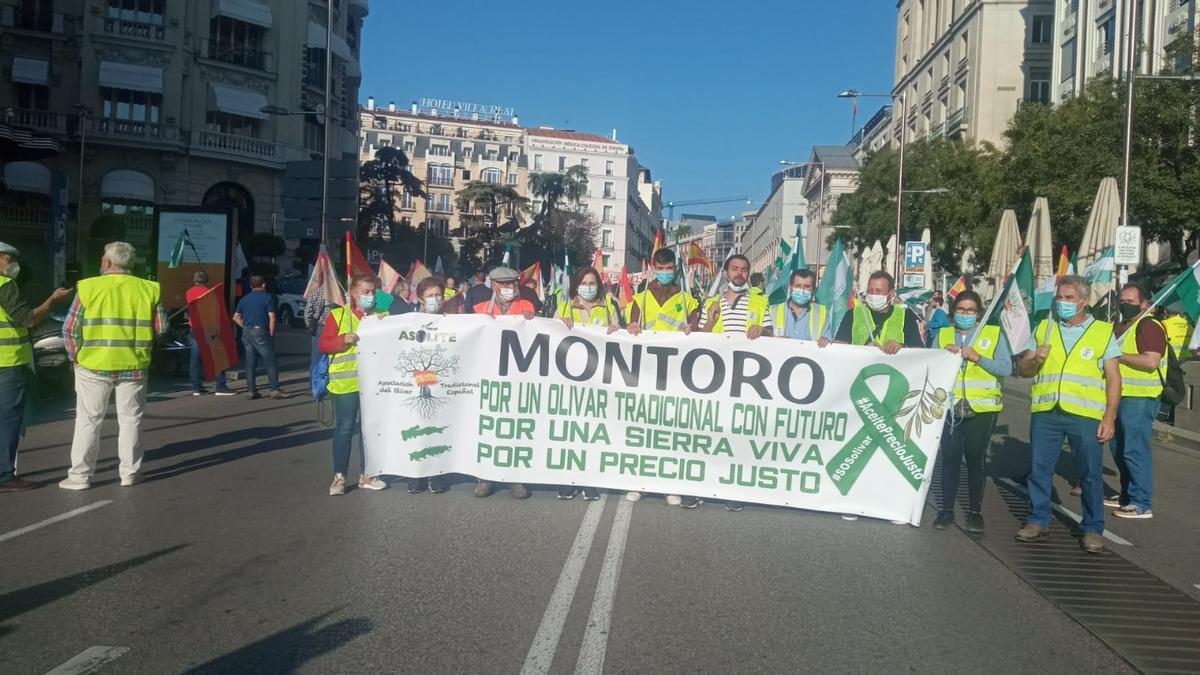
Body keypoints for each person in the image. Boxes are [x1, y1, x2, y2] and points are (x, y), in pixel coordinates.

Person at [1016, 275, 1121, 554]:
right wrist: (1034, 359)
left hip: (1084, 415)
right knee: (1039, 470)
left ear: (1084, 302)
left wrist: (1109, 418)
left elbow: (1113, 378)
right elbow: (1023, 371)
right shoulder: (1044, 328)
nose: (1062, 303)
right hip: (1046, 412)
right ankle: (1037, 520)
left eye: (1069, 298)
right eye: (1059, 297)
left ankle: (1093, 528)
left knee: (1090, 474)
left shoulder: (1101, 331)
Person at [59, 242, 166, 490]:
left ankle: (80, 477)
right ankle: (130, 473)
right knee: (131, 420)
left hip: (92, 366)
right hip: (134, 365)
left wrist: (75, 358)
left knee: (88, 420)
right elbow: (161, 328)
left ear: (107, 262)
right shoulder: (148, 289)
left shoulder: (88, 287)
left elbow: (69, 329)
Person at [625, 248, 701, 507]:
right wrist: (631, 327)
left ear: (675, 269)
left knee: (671, 431)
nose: (666, 273)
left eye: (670, 269)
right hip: (645, 372)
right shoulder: (640, 297)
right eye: (661, 269)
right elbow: (630, 326)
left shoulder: (688, 299)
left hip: (676, 374)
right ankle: (639, 482)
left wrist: (693, 327)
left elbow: (698, 327)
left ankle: (671, 484)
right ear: (652, 269)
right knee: (643, 428)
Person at [931, 291, 1011, 534]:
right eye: (961, 310)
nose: (965, 314)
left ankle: (975, 511)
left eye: (970, 310)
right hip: (950, 408)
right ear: (954, 311)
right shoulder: (943, 334)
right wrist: (943, 354)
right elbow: (929, 364)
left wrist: (978, 358)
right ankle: (946, 510)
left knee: (975, 459)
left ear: (978, 313)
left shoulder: (993, 334)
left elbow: (1006, 367)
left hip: (982, 408)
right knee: (950, 458)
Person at [700, 254, 771, 512]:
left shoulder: (760, 301)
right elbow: (699, 338)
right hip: (715, 378)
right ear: (726, 273)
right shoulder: (712, 301)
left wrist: (761, 331)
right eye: (735, 269)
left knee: (737, 434)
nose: (739, 273)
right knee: (711, 432)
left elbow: (772, 334)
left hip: (747, 378)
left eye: (744, 269)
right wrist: (710, 319)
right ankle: (702, 485)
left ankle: (733, 489)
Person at [0, 243, 71, 492]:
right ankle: (5, 476)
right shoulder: (5, 285)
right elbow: (28, 319)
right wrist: (52, 300)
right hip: (7, 362)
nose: (12, 265)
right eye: (9, 259)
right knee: (8, 419)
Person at [319, 273, 390, 496]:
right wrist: (342, 340)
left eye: (373, 292)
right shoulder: (339, 316)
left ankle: (367, 475)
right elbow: (323, 345)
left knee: (369, 430)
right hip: (346, 384)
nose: (370, 296)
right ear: (354, 294)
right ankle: (339, 477)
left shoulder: (382, 316)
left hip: (373, 386)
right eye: (365, 292)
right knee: (345, 429)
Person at [554, 266, 620, 502]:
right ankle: (568, 480)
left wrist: (616, 330)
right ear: (576, 286)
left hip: (599, 380)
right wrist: (560, 324)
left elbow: (619, 338)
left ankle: (590, 480)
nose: (589, 287)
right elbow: (551, 337)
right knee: (572, 432)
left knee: (593, 432)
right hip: (571, 380)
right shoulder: (564, 307)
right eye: (585, 283)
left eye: (593, 283)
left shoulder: (609, 307)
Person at [473, 267, 536, 499]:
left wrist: (532, 321)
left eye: (513, 283)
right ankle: (484, 478)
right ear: (494, 286)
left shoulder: (527, 308)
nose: (510, 288)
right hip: (488, 376)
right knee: (488, 428)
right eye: (505, 284)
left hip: (517, 377)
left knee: (515, 428)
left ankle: (515, 479)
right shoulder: (480, 310)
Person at [1108, 283, 1166, 519]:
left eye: (1130, 301)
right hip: (1121, 394)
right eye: (1123, 300)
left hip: (1140, 397)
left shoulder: (1148, 326)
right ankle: (1126, 494)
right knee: (1118, 446)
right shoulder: (1123, 325)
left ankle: (1141, 502)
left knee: (1134, 448)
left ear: (1143, 303)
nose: (1125, 304)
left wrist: (1118, 356)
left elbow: (1151, 361)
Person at [403, 276, 452, 494]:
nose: (435, 299)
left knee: (439, 429)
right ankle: (415, 474)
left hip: (442, 381)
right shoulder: (408, 320)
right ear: (421, 298)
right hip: (416, 380)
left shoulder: (452, 321)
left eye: (438, 295)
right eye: (430, 296)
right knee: (416, 429)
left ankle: (437, 474)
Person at [834, 271, 923, 352]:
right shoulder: (852, 314)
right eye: (870, 290)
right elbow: (840, 345)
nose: (873, 294)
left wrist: (901, 347)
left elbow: (919, 350)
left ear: (891, 293)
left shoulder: (906, 315)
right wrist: (827, 345)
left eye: (878, 291)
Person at [233, 275, 287, 400]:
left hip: (247, 332)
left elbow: (235, 317)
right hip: (261, 331)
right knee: (270, 361)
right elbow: (272, 317)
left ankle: (251, 391)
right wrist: (271, 334)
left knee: (250, 362)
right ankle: (274, 389)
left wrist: (245, 326)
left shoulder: (244, 299)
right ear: (263, 285)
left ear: (251, 286)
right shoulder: (268, 298)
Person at [185, 271, 234, 396]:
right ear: (206, 280)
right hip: (209, 328)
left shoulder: (189, 292)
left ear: (195, 280)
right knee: (217, 357)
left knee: (195, 358)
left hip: (195, 328)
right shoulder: (210, 294)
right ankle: (220, 386)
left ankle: (196, 387)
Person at [772, 269, 832, 345]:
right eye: (798, 286)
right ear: (790, 288)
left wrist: (825, 340)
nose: (802, 290)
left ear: (813, 290)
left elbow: (827, 342)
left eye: (807, 286)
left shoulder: (822, 314)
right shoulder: (773, 310)